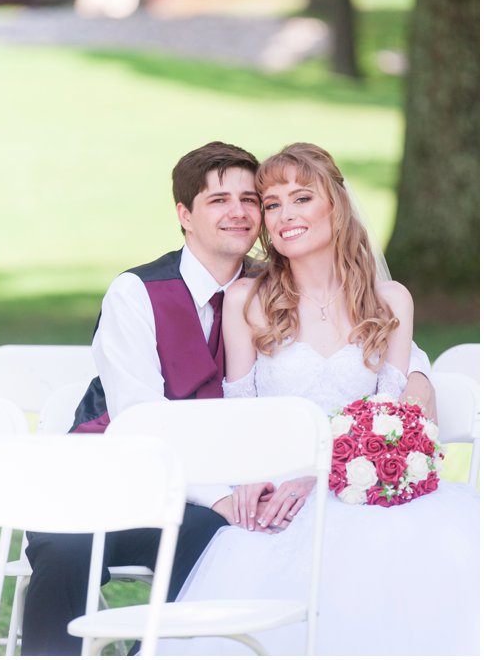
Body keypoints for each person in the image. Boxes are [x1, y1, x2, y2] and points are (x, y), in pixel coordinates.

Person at [21, 141, 438, 656]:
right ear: (185, 215)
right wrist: (223, 492)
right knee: (66, 552)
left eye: (249, 199)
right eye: (219, 200)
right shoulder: (136, 293)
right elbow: (140, 420)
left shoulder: (281, 284)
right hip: (121, 480)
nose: (239, 213)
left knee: (219, 544)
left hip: (221, 498)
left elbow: (384, 354)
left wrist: (415, 387)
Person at [164, 143, 479, 655]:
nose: (285, 215)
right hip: (281, 496)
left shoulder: (391, 301)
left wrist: (323, 473)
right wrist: (251, 477)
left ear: (334, 203)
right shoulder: (247, 301)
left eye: (301, 198)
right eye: (272, 204)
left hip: (369, 495)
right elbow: (241, 408)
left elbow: (392, 417)